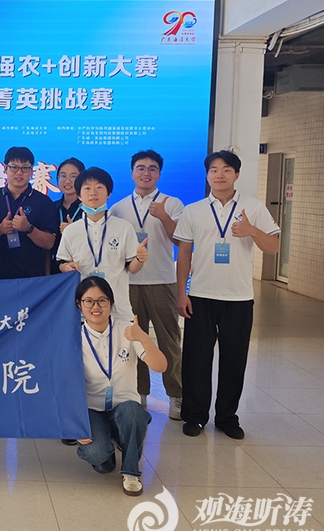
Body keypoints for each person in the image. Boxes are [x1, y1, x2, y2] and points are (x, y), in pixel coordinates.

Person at [175, 150, 280, 440]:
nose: (219, 175)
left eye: (226, 170)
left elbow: (273, 247)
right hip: (200, 295)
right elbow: (184, 254)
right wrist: (182, 292)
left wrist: (251, 230)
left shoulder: (253, 207)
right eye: (213, 170)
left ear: (236, 174)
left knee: (234, 359)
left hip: (239, 298)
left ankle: (227, 417)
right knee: (196, 359)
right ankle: (195, 416)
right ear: (207, 174)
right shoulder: (193, 210)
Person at [73, 276, 167, 497]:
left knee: (133, 413)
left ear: (111, 303)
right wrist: (73, 425)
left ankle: (131, 472)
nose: (96, 307)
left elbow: (161, 366)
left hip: (124, 407)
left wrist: (143, 338)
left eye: (102, 300)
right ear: (79, 305)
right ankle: (108, 447)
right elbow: (63, 385)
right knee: (99, 457)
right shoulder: (74, 337)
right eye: (89, 301)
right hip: (92, 409)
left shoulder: (128, 331)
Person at [110, 150, 184, 418]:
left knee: (169, 340)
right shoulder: (118, 208)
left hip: (162, 280)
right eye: (140, 168)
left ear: (159, 174)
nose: (146, 173)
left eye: (152, 168)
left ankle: (176, 395)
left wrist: (164, 216)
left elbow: (180, 241)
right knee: (134, 339)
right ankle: (138, 392)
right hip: (128, 282)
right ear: (132, 173)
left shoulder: (172, 204)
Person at [56, 167, 148, 321]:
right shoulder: (71, 230)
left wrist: (139, 258)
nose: (93, 193)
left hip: (118, 310)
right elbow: (61, 263)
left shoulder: (123, 227)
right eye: (87, 188)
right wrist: (66, 267)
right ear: (79, 195)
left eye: (99, 187)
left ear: (108, 193)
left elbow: (132, 269)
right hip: (82, 312)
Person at [0, 146, 58, 278]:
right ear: (5, 169)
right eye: (14, 167)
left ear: (31, 171)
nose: (19, 172)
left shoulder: (43, 201)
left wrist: (28, 228)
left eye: (25, 168)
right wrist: (0, 229)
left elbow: (49, 243)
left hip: (32, 277)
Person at [50, 157, 85, 274]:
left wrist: (74, 231)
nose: (67, 181)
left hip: (83, 268)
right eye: (63, 176)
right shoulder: (51, 208)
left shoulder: (90, 210)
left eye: (73, 176)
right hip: (56, 270)